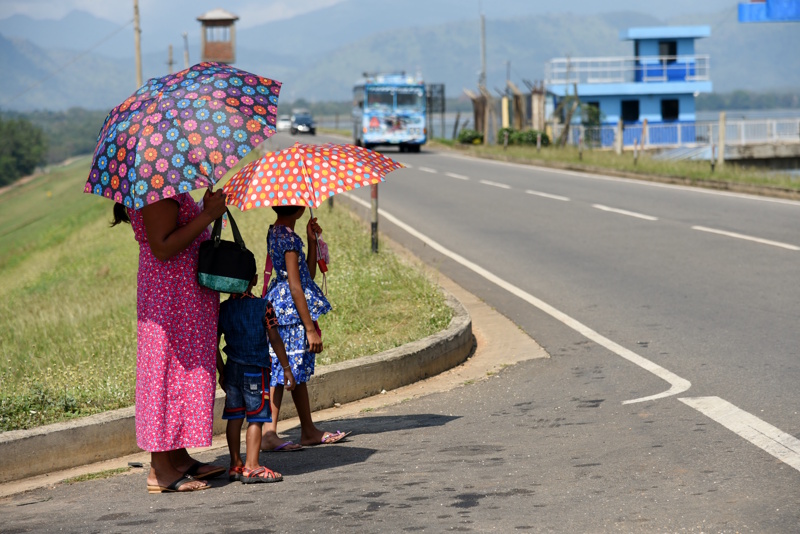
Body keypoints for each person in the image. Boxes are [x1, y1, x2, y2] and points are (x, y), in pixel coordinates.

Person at [112, 190, 228, 493]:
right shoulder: (156, 187)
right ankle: (159, 470)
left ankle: (177, 457)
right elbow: (162, 247)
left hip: (180, 293)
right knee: (165, 371)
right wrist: (207, 215)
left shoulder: (167, 184)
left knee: (181, 371)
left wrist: (202, 208)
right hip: (169, 294)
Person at [260, 205, 349, 450]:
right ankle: (269, 432)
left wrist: (311, 242)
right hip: (290, 315)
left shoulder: (276, 231)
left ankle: (308, 429)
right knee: (282, 370)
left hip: (281, 308)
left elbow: (305, 275)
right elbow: (296, 287)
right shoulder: (289, 239)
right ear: (299, 209)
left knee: (292, 369)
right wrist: (310, 328)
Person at [216, 273, 296, 483]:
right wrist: (286, 368)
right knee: (256, 417)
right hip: (256, 371)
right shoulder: (264, 306)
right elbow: (275, 338)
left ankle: (235, 465)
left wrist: (222, 371)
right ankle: (252, 466)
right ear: (254, 279)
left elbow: (212, 345)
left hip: (232, 371)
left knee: (234, 417)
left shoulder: (222, 310)